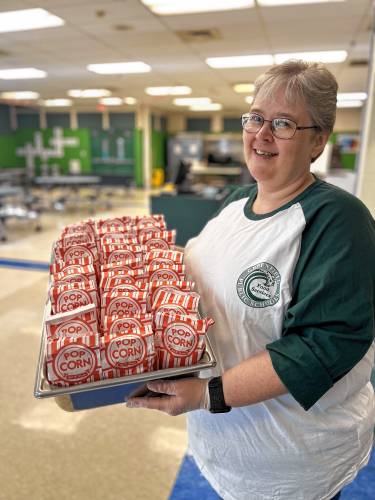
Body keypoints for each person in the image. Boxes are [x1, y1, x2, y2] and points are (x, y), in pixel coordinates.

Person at [126, 60, 375, 500]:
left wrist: (207, 393)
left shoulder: (337, 219)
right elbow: (206, 272)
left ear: (318, 141)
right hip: (225, 442)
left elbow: (320, 346)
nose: (261, 134)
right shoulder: (236, 200)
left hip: (293, 459)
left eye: (282, 124)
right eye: (255, 117)